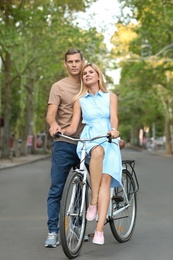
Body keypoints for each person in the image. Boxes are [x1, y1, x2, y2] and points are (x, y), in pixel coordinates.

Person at [62, 63, 122, 245]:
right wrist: (59, 129)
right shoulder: (80, 100)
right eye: (85, 73)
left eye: (91, 72)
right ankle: (94, 200)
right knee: (96, 152)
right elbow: (73, 127)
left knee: (105, 181)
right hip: (90, 138)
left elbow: (113, 117)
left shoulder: (111, 96)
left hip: (108, 138)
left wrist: (114, 129)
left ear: (98, 76)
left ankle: (99, 230)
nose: (87, 75)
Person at [45, 48, 85, 248]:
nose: (74, 65)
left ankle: (77, 226)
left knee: (83, 188)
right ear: (66, 64)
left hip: (87, 144)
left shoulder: (90, 82)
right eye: (70, 62)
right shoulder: (58, 86)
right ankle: (53, 231)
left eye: (77, 61)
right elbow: (51, 114)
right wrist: (53, 124)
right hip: (64, 143)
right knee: (57, 189)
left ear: (82, 61)